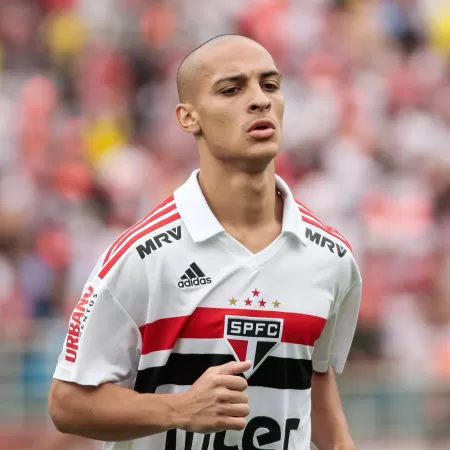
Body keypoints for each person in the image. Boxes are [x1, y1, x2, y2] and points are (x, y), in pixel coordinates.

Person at [48, 34, 362, 450]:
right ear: (188, 117)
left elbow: (315, 379)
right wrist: (179, 410)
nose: (259, 100)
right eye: (231, 89)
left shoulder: (332, 257)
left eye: (269, 85)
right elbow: (66, 403)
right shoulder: (141, 256)